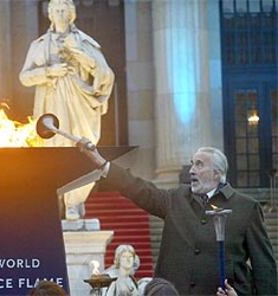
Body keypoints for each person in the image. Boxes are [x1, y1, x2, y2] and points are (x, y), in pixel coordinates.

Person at [78, 138, 277, 295]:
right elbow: (139, 189)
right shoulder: (176, 198)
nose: (191, 170)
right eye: (192, 164)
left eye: (199, 165)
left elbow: (264, 267)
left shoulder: (247, 208)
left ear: (217, 173)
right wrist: (104, 164)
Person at [20, 0, 115, 220]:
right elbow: (24, 77)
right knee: (54, 152)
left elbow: (105, 72)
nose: (60, 13)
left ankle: (75, 202)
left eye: (64, 10)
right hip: (51, 105)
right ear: (50, 15)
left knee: (82, 149)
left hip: (79, 102)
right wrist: (49, 71)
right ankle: (54, 203)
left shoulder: (84, 42)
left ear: (71, 14)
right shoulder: (39, 45)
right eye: (56, 10)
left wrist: (78, 51)